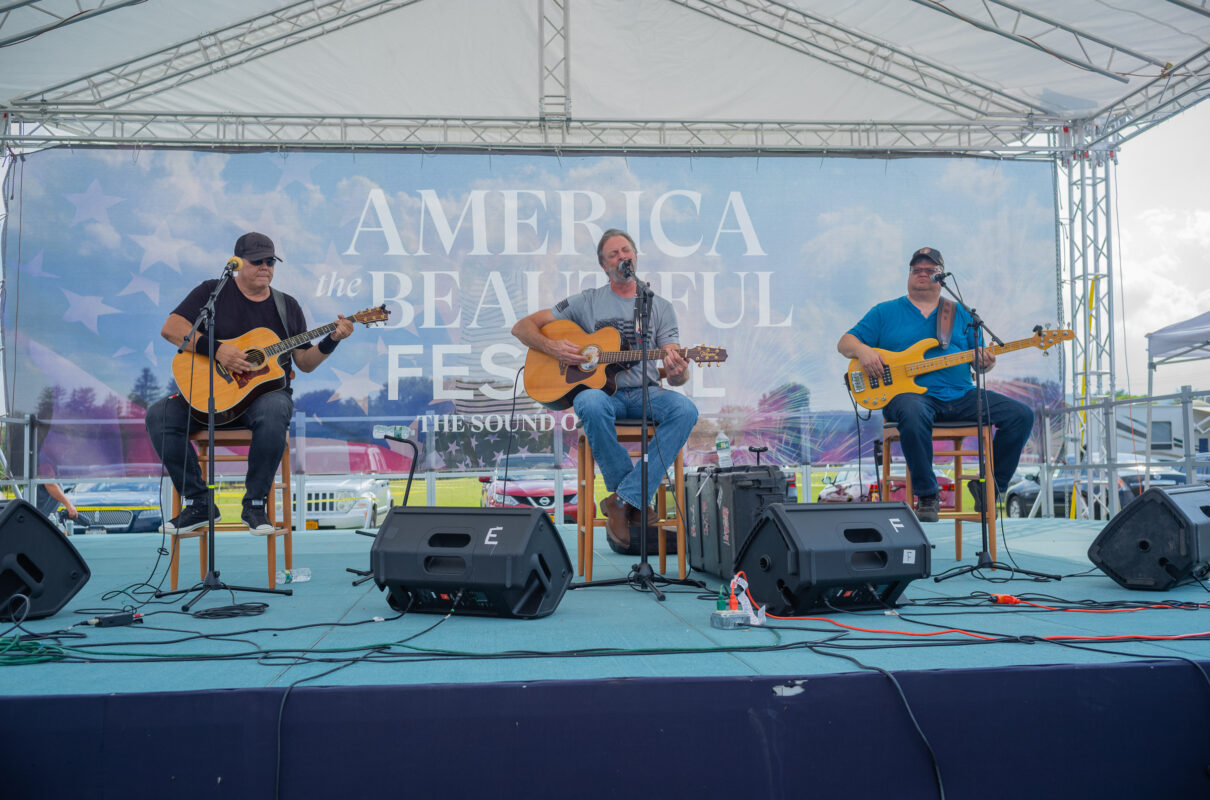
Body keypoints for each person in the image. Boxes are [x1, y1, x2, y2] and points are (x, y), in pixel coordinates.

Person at [145, 232, 354, 534]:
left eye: (270, 262)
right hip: (210, 399)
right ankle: (199, 502)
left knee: (275, 410)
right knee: (159, 415)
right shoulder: (211, 292)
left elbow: (305, 363)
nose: (265, 267)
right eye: (257, 261)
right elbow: (172, 328)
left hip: (261, 402)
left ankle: (254, 504)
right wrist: (217, 350)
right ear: (238, 263)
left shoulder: (286, 306)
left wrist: (332, 340)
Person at [512, 228, 699, 548]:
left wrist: (678, 370)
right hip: (605, 396)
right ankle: (632, 500)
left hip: (646, 394)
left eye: (626, 250)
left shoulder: (659, 307)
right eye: (613, 254)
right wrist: (553, 348)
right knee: (590, 400)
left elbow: (675, 372)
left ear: (636, 257)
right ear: (604, 266)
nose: (622, 256)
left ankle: (623, 499)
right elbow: (522, 327)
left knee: (686, 409)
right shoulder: (586, 301)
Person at [837, 246, 1034, 522]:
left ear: (941, 277)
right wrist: (864, 351)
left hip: (961, 395)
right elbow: (845, 343)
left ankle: (990, 487)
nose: (922, 274)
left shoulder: (960, 313)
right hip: (912, 398)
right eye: (916, 270)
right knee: (912, 411)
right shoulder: (884, 312)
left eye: (930, 270)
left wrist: (987, 362)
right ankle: (928, 494)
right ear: (909, 275)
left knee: (1021, 415)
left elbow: (978, 362)